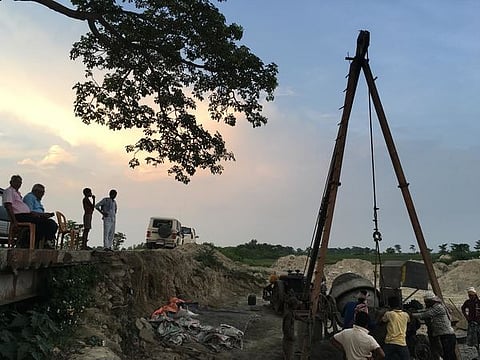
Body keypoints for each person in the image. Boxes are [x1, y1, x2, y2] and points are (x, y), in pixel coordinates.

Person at [2, 176, 57, 248]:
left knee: (45, 223)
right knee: (47, 222)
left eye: (20, 182)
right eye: (17, 182)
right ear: (11, 182)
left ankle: (33, 242)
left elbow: (27, 210)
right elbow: (8, 206)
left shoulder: (17, 193)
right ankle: (28, 241)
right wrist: (14, 221)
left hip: (26, 214)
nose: (19, 184)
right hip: (19, 215)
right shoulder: (9, 191)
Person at [412, 291, 457, 360]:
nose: (425, 304)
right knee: (447, 355)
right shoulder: (434, 306)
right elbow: (425, 311)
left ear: (431, 301)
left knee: (448, 356)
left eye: (426, 302)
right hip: (445, 336)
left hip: (447, 336)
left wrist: (410, 315)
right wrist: (416, 311)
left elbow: (425, 314)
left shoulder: (438, 308)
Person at [22, 183, 58, 248]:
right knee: (50, 224)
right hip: (32, 218)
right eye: (42, 193)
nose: (42, 195)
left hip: (39, 217)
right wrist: (42, 215)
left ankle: (47, 241)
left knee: (51, 224)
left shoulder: (37, 200)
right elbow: (29, 211)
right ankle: (46, 242)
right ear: (36, 191)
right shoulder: (29, 197)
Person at [461, 286, 480, 356]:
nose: (470, 297)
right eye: (469, 295)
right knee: (474, 340)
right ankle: (477, 352)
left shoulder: (479, 301)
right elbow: (463, 308)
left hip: (479, 323)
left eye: (471, 295)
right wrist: (466, 317)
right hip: (472, 323)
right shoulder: (468, 302)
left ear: (475, 295)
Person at [282, 294, 301, 360]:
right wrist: (291, 337)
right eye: (296, 304)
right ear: (293, 305)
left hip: (288, 338)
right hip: (288, 339)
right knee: (289, 356)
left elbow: (296, 316)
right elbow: (286, 328)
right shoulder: (289, 314)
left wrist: (304, 320)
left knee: (289, 355)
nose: (297, 306)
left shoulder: (291, 312)